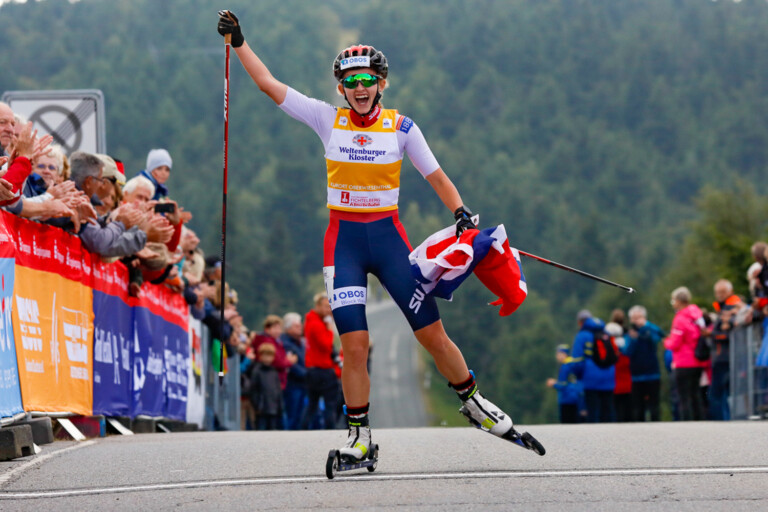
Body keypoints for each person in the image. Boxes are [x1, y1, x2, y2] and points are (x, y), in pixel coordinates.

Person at [218, 11, 517, 462]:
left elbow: (436, 176)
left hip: (389, 239)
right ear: (341, 88)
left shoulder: (401, 128)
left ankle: (474, 402)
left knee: (432, 334)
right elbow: (268, 84)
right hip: (344, 244)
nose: (360, 89)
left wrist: (460, 213)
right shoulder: (326, 119)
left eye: (368, 80)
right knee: (353, 344)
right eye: (351, 82)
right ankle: (359, 436)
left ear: (381, 83)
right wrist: (239, 41)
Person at [664, 286, 707, 421]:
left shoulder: (680, 318)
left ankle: (687, 423)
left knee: (683, 396)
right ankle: (699, 420)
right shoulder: (697, 314)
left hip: (683, 362)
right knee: (696, 394)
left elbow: (675, 343)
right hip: (698, 360)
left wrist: (666, 342)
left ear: (678, 301)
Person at [302, 293, 340, 430]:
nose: (329, 310)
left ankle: (303, 429)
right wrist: (330, 330)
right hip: (322, 369)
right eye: (326, 307)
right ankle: (330, 430)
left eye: (330, 307)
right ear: (317, 306)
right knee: (330, 404)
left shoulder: (311, 320)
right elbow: (326, 345)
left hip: (312, 369)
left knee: (312, 404)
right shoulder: (317, 324)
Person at [570, 309, 616, 423]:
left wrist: (578, 376)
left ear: (580, 322)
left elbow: (577, 360)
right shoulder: (606, 333)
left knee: (593, 411)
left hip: (590, 378)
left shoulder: (582, 335)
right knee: (608, 410)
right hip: (609, 376)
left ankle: (595, 437)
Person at [708, 279, 744, 421]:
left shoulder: (733, 306)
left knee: (720, 393)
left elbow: (726, 333)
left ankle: (725, 421)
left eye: (723, 292)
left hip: (728, 356)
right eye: (717, 292)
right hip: (721, 356)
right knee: (722, 393)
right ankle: (725, 421)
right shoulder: (722, 308)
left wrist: (713, 334)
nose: (720, 295)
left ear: (730, 291)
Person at [623, 305, 664, 421]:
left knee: (654, 406)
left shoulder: (650, 330)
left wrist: (646, 325)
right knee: (638, 408)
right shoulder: (630, 334)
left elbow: (659, 336)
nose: (637, 321)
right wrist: (634, 339)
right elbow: (627, 351)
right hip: (636, 376)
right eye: (634, 318)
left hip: (653, 374)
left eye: (639, 317)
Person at [246, 342, 283, 430]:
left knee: (273, 430)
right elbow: (253, 389)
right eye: (265, 355)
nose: (268, 358)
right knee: (261, 430)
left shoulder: (274, 372)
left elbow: (278, 390)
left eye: (270, 356)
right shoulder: (257, 371)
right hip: (261, 408)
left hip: (273, 407)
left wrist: (280, 405)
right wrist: (257, 404)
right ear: (260, 356)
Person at [280, 312, 307, 430]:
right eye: (297, 326)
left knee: (300, 415)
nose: (300, 327)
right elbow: (291, 365)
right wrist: (307, 374)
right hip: (292, 383)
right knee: (292, 414)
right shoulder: (284, 342)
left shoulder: (300, 341)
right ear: (288, 327)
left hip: (302, 383)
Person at [546, 344, 581, 423]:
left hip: (566, 398)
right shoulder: (573, 363)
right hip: (576, 396)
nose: (556, 356)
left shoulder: (565, 366)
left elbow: (563, 384)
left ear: (563, 354)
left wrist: (553, 383)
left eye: (558, 354)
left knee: (566, 423)